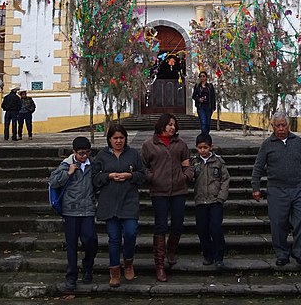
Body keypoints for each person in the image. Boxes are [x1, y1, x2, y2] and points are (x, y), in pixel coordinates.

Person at [251, 111, 301, 267]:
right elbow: (258, 167)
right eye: (277, 126)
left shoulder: (297, 141)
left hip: (298, 188)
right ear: (273, 127)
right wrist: (256, 187)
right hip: (276, 190)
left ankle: (299, 253)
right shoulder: (267, 144)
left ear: (288, 125)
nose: (281, 128)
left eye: (283, 125)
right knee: (278, 224)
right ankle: (282, 254)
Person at [141, 113, 194, 282]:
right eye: (169, 124)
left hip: (179, 190)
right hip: (159, 192)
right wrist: (152, 177)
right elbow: (142, 167)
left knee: (178, 224)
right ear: (162, 125)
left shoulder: (181, 145)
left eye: (174, 125)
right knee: (160, 226)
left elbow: (188, 165)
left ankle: (171, 250)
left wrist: (185, 177)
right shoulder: (149, 145)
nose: (172, 127)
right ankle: (159, 265)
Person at [92, 123, 145, 288]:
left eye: (121, 138)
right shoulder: (102, 156)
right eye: (115, 138)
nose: (119, 141)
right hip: (109, 203)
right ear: (109, 139)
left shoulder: (133, 154)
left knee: (130, 233)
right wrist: (108, 176)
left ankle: (128, 263)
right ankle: (114, 271)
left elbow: (143, 175)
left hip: (129, 201)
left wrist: (130, 175)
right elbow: (94, 178)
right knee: (114, 238)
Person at [49, 136, 97, 291]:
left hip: (88, 209)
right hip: (71, 210)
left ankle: (88, 267)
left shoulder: (93, 166)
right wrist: (68, 173)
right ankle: (71, 276)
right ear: (74, 152)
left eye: (87, 153)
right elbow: (53, 181)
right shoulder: (67, 164)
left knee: (90, 240)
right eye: (81, 153)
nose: (84, 156)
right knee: (71, 245)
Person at [190, 133, 230, 270]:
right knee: (202, 229)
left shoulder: (218, 162)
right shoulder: (194, 162)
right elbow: (189, 177)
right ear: (196, 148)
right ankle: (208, 254)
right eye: (200, 148)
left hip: (215, 201)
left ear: (211, 147)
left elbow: (225, 179)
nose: (203, 150)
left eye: (205, 147)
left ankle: (219, 256)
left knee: (215, 228)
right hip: (200, 201)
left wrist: (221, 198)